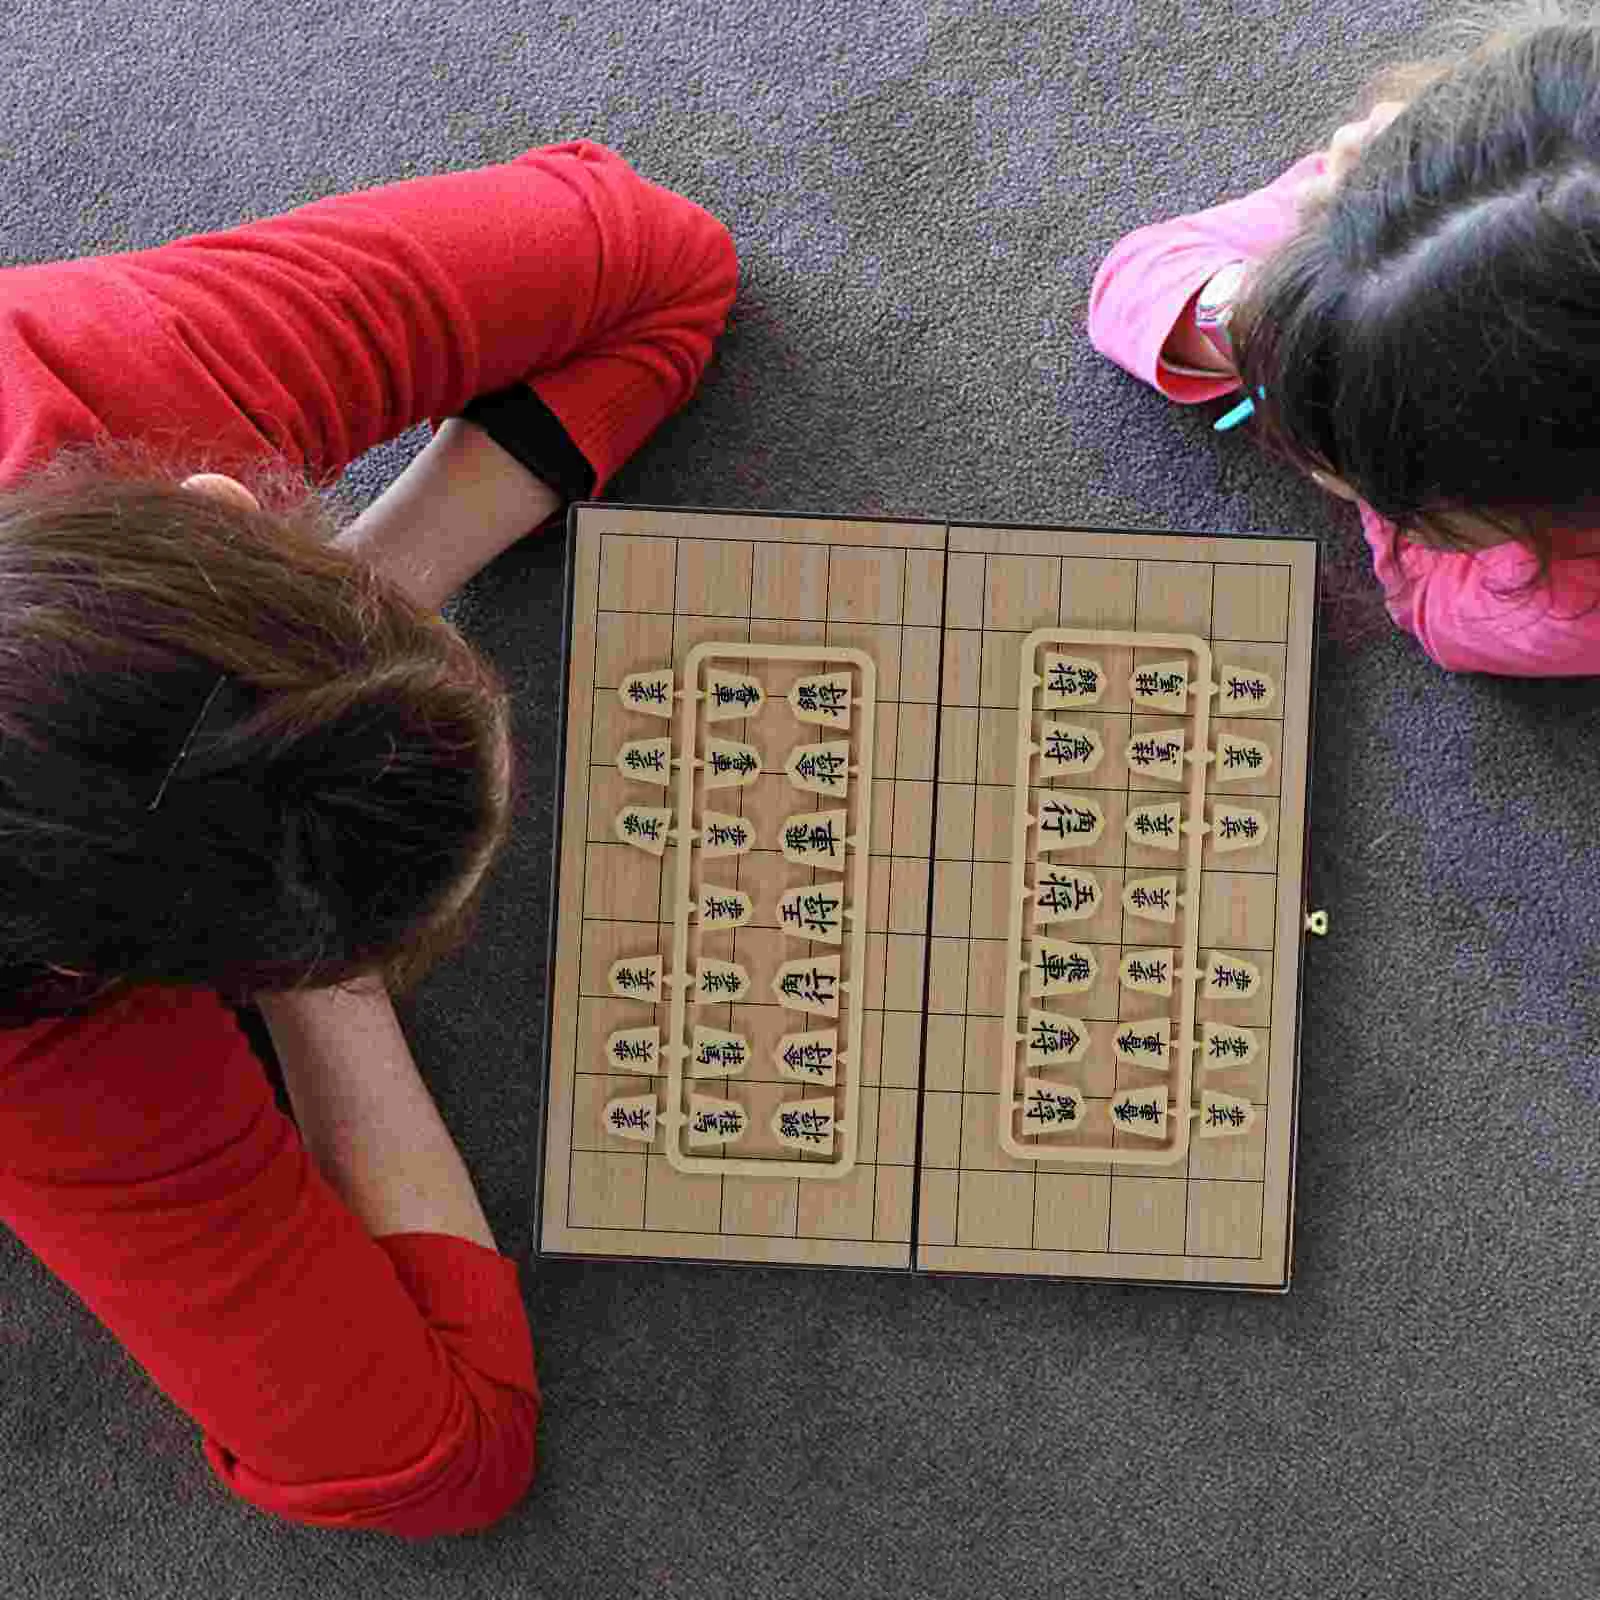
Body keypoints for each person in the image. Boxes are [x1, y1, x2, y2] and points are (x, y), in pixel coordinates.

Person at [0, 139, 737, 1538]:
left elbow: (663, 265)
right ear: (132, 991)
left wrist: (335, 661)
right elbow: (443, 1461)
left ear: (213, 503)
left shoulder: (85, 382)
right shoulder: (56, 1072)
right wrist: (314, 971)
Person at [1088, 1, 1600, 676]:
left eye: (1384, 480)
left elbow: (1435, 609)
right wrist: (1252, 312)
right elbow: (1127, 286)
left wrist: (1379, 506)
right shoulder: (1436, 203)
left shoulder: (1565, 609)